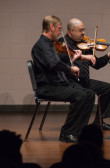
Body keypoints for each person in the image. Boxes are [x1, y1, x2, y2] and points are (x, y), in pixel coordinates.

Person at [31, 15, 95, 143]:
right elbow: (53, 64)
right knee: (81, 96)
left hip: (57, 84)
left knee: (89, 94)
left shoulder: (48, 44)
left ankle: (78, 130)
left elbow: (57, 61)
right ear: (51, 27)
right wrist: (70, 69)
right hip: (48, 87)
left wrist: (73, 60)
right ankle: (67, 133)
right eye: (59, 28)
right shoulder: (43, 45)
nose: (61, 31)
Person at [58, 18, 110, 130]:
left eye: (84, 30)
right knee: (88, 93)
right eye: (80, 30)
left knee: (108, 88)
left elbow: (97, 65)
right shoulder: (62, 44)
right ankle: (77, 126)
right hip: (69, 82)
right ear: (71, 31)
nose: (83, 33)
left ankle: (99, 121)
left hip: (84, 81)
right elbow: (61, 62)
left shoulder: (85, 44)